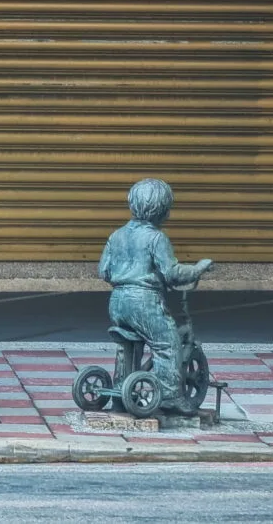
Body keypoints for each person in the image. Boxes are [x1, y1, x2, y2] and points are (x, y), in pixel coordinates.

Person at [98, 178, 213, 415]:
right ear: (161, 210)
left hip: (118, 301)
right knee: (167, 345)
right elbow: (172, 273)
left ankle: (121, 393)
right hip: (144, 302)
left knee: (127, 344)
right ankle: (170, 396)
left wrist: (127, 277)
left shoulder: (116, 235)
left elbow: (104, 271)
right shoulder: (156, 238)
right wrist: (198, 269)